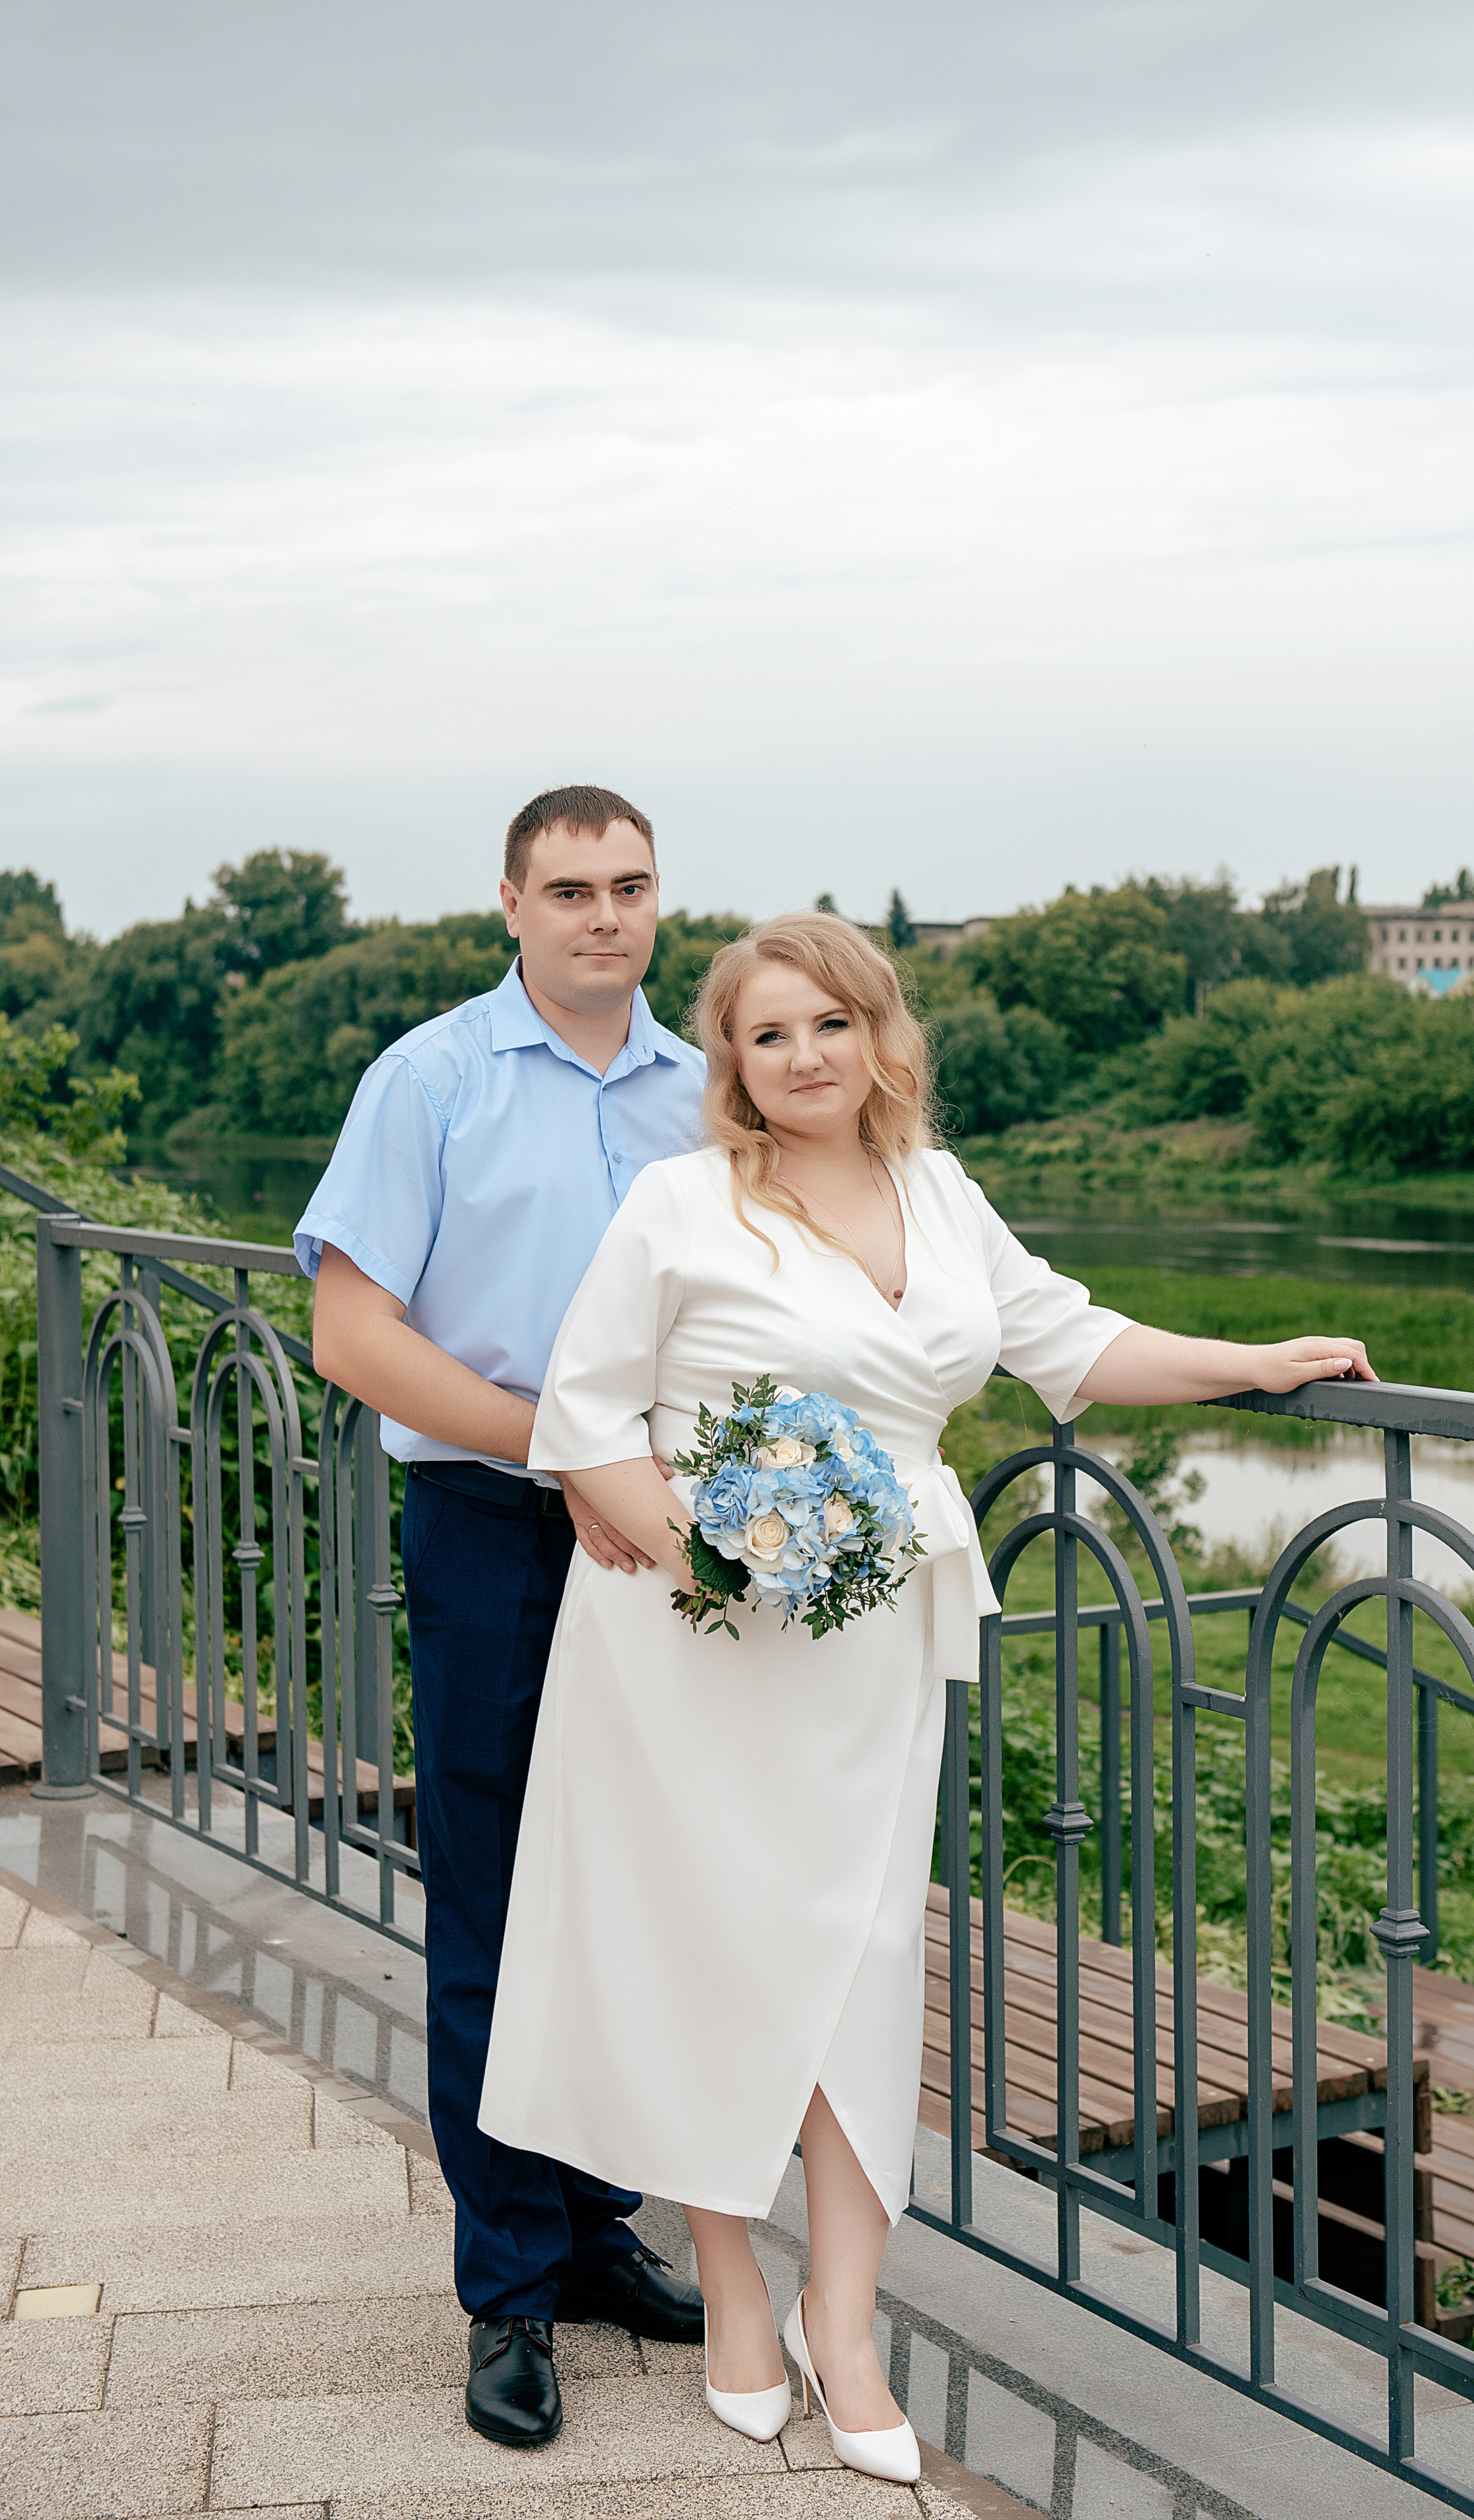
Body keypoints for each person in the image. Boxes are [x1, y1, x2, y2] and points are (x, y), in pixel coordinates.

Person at [479, 910, 1374, 2484]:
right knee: (716, 1944)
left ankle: (848, 2315)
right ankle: (738, 2289)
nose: (803, 1057)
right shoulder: (678, 1203)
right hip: (699, 1638)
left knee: (858, 1959)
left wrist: (1252, 1361)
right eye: (767, 1035)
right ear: (734, 1065)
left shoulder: (941, 1195)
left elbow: (1068, 1341)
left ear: (878, 1035)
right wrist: (712, 1550)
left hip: (877, 1635)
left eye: (830, 1025)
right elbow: (583, 1413)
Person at [297, 785, 708, 2454]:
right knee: (490, 1890)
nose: (603, 916)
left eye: (628, 886)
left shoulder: (708, 1090)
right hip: (493, 1522)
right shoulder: (432, 1078)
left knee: (635, 1894)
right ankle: (508, 2291)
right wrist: (563, 1452)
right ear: (511, 905)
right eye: (568, 890)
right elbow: (350, 1336)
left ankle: (598, 2224)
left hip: (671, 1532)